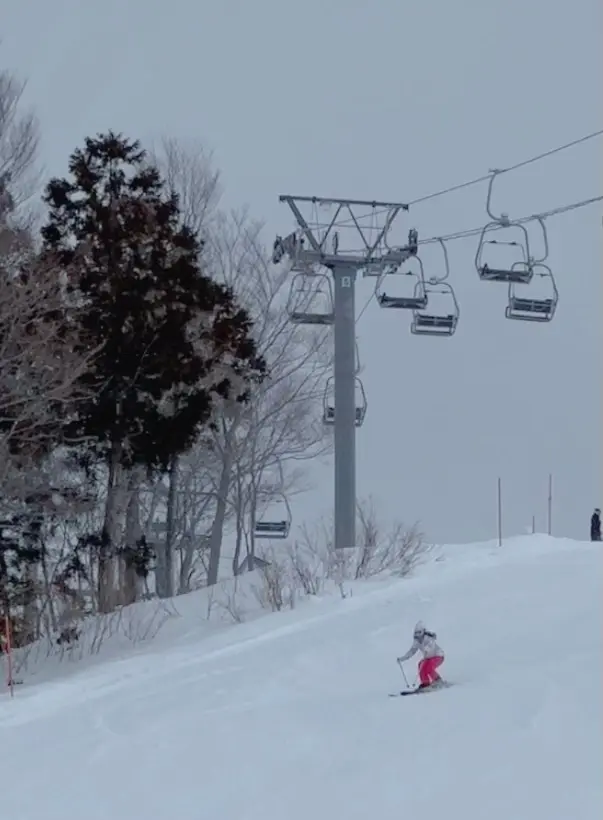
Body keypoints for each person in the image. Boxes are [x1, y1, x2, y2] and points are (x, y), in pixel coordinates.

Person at [397, 621, 445, 690]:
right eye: (416, 633)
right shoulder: (416, 641)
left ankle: (438, 680)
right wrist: (403, 658)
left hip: (438, 656)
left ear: (423, 631)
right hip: (428, 657)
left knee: (428, 667)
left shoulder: (428, 637)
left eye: (419, 632)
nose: (417, 635)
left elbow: (431, 646)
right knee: (421, 665)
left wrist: (427, 650)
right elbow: (412, 651)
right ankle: (426, 683)